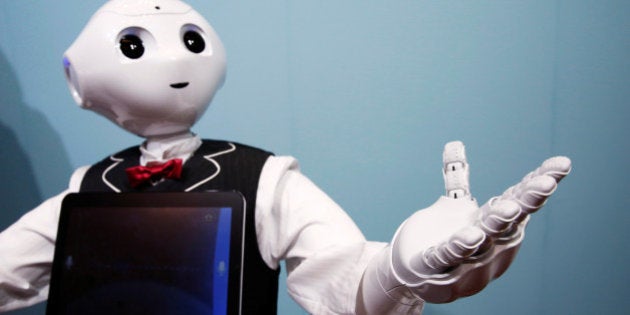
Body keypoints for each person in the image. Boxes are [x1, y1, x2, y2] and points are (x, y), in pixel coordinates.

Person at [0, 0, 571, 314]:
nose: (173, 60)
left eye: (191, 40)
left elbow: (347, 285)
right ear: (78, 82)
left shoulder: (265, 178)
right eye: (134, 46)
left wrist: (403, 271)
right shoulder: (89, 185)